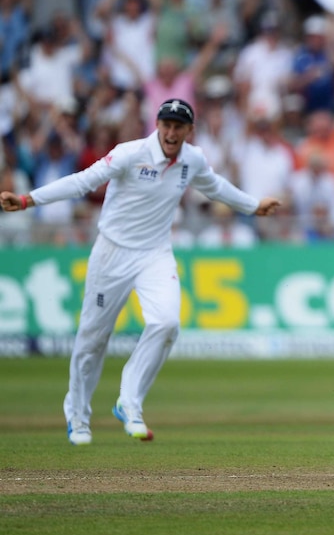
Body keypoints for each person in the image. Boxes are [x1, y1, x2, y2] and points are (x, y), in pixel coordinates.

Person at [0, 98, 280, 445]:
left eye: (179, 127)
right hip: (112, 253)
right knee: (92, 338)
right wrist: (28, 200)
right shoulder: (130, 153)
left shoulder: (193, 160)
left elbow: (216, 187)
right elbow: (82, 182)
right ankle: (78, 415)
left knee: (167, 323)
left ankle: (129, 402)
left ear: (189, 131)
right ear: (157, 125)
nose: (171, 132)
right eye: (166, 125)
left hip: (155, 254)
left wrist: (253, 206)